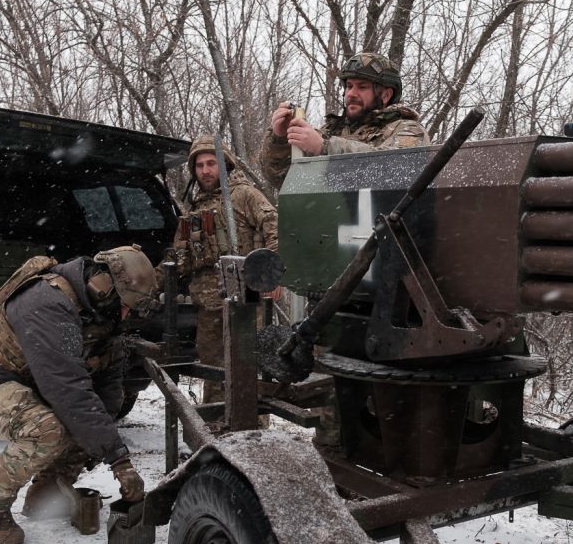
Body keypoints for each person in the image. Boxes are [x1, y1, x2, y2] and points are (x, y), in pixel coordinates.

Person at [0, 245, 159, 544]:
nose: (126, 314)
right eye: (126, 304)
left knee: (95, 423)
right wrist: (120, 462)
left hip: (26, 390)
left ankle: (47, 492)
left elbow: (106, 389)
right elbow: (68, 390)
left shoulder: (102, 312)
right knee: (47, 429)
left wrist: (106, 440)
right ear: (103, 286)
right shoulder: (48, 302)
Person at [172, 135, 280, 403]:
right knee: (212, 367)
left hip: (244, 300)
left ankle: (250, 428)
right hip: (209, 303)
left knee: (246, 364)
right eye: (200, 166)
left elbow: (275, 228)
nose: (206, 170)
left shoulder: (244, 195)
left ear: (225, 165)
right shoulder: (197, 205)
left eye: (212, 163)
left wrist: (273, 277)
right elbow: (180, 253)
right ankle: (216, 422)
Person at [261, 52, 430, 190]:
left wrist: (324, 148)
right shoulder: (329, 132)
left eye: (362, 87)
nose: (351, 94)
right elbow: (280, 178)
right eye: (349, 86)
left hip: (386, 228)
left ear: (386, 95)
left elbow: (394, 171)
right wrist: (280, 138)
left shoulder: (409, 130)